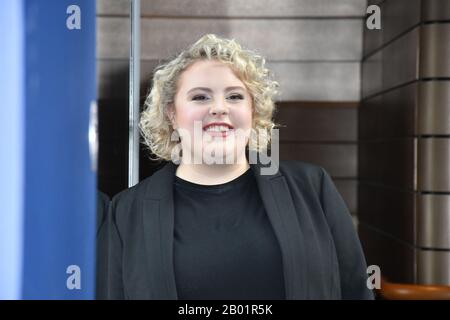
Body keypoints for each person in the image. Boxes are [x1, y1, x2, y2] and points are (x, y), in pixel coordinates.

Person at [103, 34, 374, 300]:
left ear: (253, 111)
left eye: (234, 96)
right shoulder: (126, 211)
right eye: (200, 97)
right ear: (171, 114)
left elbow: (355, 290)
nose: (219, 108)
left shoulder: (313, 187)